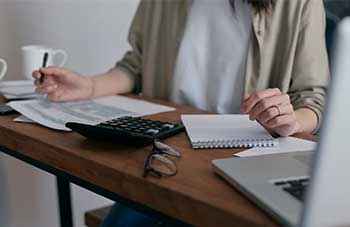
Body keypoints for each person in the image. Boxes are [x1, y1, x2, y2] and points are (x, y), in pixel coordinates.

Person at [33, 0, 329, 226]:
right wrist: (88, 86)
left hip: (248, 158)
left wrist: (291, 120)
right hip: (165, 154)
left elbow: (313, 98)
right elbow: (135, 67)